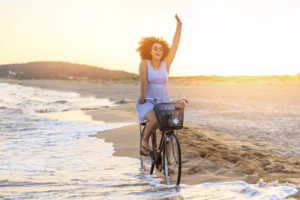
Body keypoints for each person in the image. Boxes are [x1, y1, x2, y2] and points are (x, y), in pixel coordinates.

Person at [136, 14, 182, 156]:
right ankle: (145, 141)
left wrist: (179, 25)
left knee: (169, 129)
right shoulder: (145, 63)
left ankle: (167, 161)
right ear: (149, 50)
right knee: (155, 120)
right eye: (155, 48)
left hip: (163, 100)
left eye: (161, 49)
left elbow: (174, 46)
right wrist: (143, 97)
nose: (158, 51)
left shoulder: (165, 64)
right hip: (148, 101)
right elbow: (144, 81)